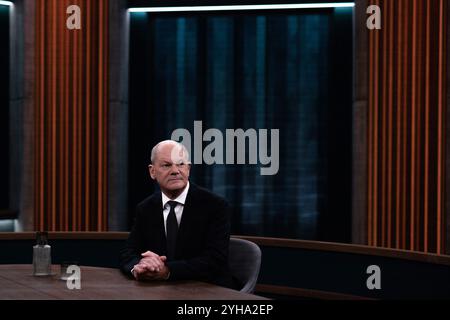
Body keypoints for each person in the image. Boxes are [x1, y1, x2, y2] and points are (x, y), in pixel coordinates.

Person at [120, 140, 237, 289]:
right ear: (152, 171)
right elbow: (128, 252)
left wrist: (167, 270)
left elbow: (214, 260)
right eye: (167, 165)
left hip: (207, 290)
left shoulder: (215, 205)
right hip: (159, 291)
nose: (175, 170)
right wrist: (140, 266)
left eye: (180, 164)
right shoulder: (145, 208)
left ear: (188, 169)